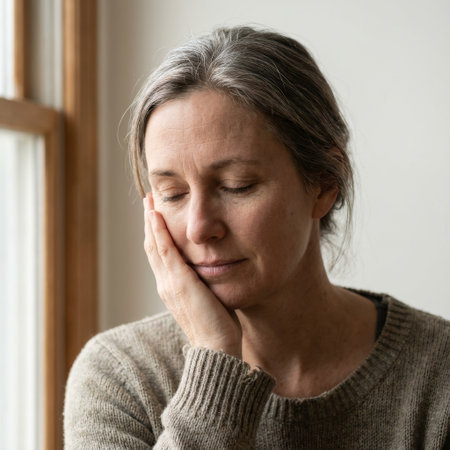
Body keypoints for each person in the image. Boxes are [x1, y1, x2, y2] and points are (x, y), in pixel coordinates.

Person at [64, 26, 450, 448]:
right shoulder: (121, 377)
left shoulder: (438, 375)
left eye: (237, 186)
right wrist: (214, 357)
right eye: (172, 194)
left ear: (322, 184)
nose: (198, 227)